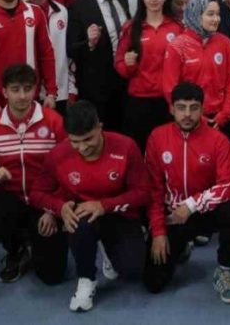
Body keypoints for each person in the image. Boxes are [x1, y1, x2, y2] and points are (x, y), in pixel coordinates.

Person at [31, 101, 149, 313]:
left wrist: (104, 205)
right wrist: (58, 207)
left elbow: (142, 193)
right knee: (80, 218)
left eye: (88, 139)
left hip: (117, 214)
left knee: (132, 270)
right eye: (75, 142)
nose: (83, 147)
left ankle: (107, 248)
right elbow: (37, 193)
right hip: (82, 214)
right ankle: (86, 279)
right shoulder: (58, 154)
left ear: (99, 127)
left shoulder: (126, 147)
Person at [142, 82, 230, 303]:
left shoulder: (218, 140)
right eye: (181, 107)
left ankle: (225, 270)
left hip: (205, 211)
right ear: (171, 109)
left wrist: (191, 205)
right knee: (153, 283)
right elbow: (154, 189)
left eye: (194, 107)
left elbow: (229, 184)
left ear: (203, 108)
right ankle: (180, 247)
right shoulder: (157, 137)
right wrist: (158, 231)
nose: (187, 114)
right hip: (173, 215)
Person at [0, 64, 68, 285]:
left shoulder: (53, 121)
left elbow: (69, 171)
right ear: (4, 92)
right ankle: (15, 249)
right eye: (15, 89)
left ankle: (39, 242)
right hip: (11, 200)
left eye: (28, 89)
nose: (22, 96)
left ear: (36, 90)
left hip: (45, 204)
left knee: (53, 277)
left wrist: (53, 210)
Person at [115, 0, 183, 151]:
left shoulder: (177, 28)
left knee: (167, 150)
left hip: (168, 101)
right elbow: (120, 66)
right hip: (139, 101)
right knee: (138, 149)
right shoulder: (131, 28)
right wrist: (129, 64)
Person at [66, 0, 131, 131]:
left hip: (126, 85)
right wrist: (89, 43)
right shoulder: (78, 7)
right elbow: (70, 49)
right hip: (97, 91)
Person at [162, 0, 230, 130]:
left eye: (217, 14)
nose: (216, 19)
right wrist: (195, 117)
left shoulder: (224, 42)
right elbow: (170, 89)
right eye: (210, 14)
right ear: (196, 15)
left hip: (220, 118)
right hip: (188, 118)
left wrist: (224, 114)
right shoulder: (177, 46)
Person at [24, 0, 75, 112]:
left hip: (58, 93)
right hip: (25, 92)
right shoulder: (19, 12)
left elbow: (68, 54)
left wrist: (71, 88)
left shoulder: (61, 12)